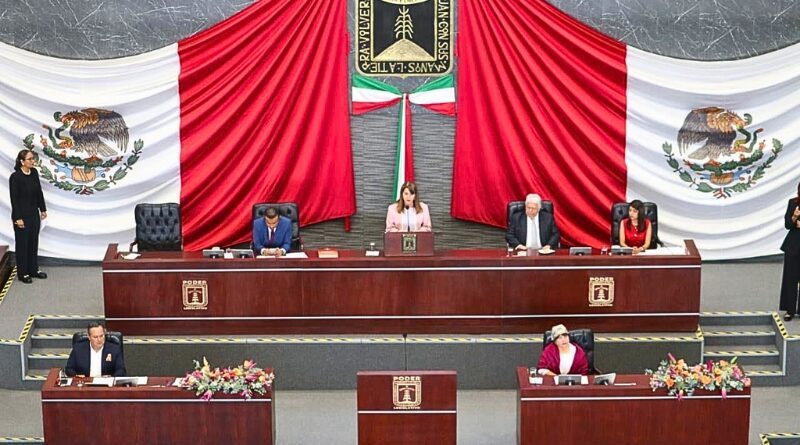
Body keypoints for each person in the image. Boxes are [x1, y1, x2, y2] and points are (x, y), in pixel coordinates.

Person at [9, 149, 48, 284]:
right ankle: (23, 273)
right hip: (21, 216)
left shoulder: (34, 173)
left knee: (33, 242)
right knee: (22, 244)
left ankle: (33, 269)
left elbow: (39, 192)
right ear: (22, 161)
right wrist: (18, 218)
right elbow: (14, 199)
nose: (33, 161)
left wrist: (42, 209)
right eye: (30, 159)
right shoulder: (15, 177)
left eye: (33, 159)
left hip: (33, 214)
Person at [780, 183, 800, 321]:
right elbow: (787, 224)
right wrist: (794, 217)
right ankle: (789, 309)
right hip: (793, 245)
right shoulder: (793, 203)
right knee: (790, 278)